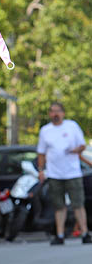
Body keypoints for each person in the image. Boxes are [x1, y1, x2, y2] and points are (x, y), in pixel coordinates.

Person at [37, 102, 91, 245]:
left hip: (72, 173)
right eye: (53, 111)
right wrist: (41, 170)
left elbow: (82, 145)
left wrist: (75, 151)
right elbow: (41, 153)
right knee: (58, 206)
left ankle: (85, 233)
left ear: (63, 113)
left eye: (58, 111)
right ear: (49, 114)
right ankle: (60, 235)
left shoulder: (72, 126)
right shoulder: (45, 131)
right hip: (54, 174)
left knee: (78, 204)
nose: (55, 114)